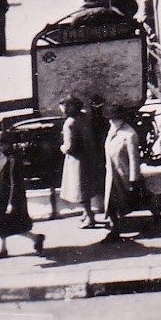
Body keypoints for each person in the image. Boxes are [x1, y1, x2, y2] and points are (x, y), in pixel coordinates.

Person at [0, 132, 46, 260]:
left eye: (1, 144)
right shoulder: (1, 156)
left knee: (14, 225)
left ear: (8, 145)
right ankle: (1, 249)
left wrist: (11, 203)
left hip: (9, 198)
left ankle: (36, 238)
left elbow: (15, 183)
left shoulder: (13, 160)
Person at [57, 96, 104, 229]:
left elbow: (69, 147)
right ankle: (86, 214)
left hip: (77, 161)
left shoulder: (69, 123)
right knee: (88, 187)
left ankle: (89, 217)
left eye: (63, 106)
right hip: (89, 157)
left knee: (80, 190)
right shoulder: (85, 117)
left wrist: (62, 148)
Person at [100, 106, 142, 243]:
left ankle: (117, 229)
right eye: (110, 119)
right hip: (111, 174)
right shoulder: (112, 130)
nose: (111, 122)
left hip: (123, 174)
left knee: (121, 202)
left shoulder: (129, 134)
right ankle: (114, 229)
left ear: (122, 120)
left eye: (114, 119)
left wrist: (133, 179)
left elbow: (134, 158)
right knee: (111, 203)